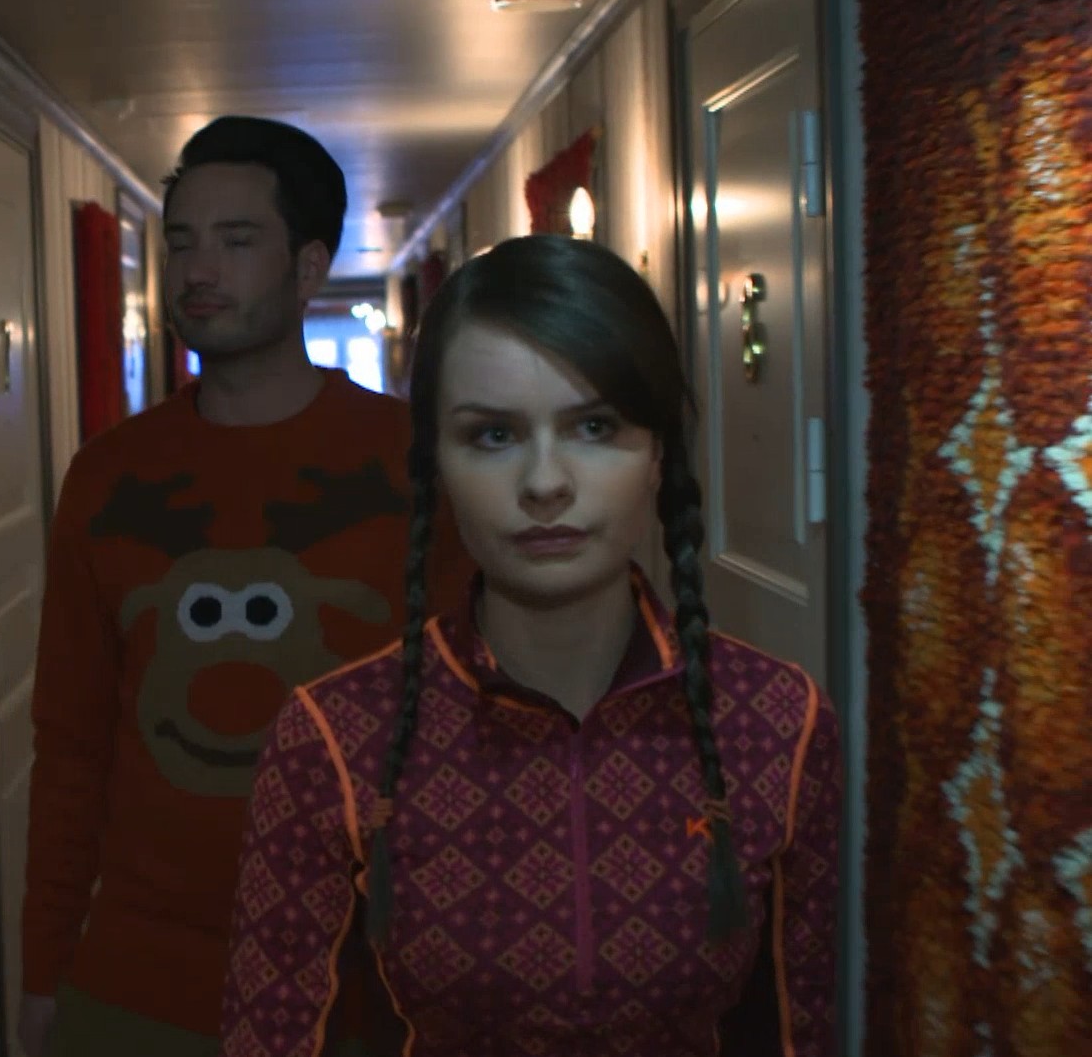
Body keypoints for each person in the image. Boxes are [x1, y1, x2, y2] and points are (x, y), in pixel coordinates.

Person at [219, 234, 842, 1056]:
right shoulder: (334, 741)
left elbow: (808, 1027)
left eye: (594, 426)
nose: (546, 483)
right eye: (494, 436)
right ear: (437, 464)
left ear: (658, 452)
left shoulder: (776, 723)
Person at [16, 116, 470, 1057]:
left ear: (308, 268)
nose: (198, 270)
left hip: (364, 975)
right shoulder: (108, 478)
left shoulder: (414, 465)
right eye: (182, 241)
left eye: (235, 240)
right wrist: (43, 966)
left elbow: (474, 726)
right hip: (143, 975)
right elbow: (70, 748)